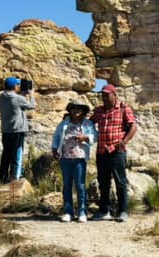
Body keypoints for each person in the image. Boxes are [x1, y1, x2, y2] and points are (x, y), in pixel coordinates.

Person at [90, 84, 137, 222]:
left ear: (114, 95)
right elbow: (88, 123)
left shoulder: (123, 108)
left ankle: (123, 211)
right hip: (101, 150)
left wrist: (125, 140)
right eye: (102, 95)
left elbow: (133, 125)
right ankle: (105, 210)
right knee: (103, 182)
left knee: (120, 181)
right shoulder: (99, 111)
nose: (104, 98)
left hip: (117, 151)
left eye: (106, 95)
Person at [52, 97, 97, 223]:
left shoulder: (88, 124)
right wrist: (54, 149)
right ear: (70, 110)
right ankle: (68, 211)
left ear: (83, 111)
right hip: (65, 157)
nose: (76, 111)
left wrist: (86, 137)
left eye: (79, 109)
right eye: (74, 108)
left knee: (80, 185)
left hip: (80, 157)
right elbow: (56, 136)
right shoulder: (64, 124)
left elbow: (95, 136)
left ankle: (82, 211)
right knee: (67, 185)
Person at [0, 76, 35, 183]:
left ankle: (3, 179)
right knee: (17, 156)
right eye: (18, 85)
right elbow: (32, 106)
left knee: (6, 156)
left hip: (6, 131)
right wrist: (32, 95)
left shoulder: (2, 96)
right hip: (17, 131)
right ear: (15, 86)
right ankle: (15, 178)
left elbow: (15, 101)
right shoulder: (18, 99)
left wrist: (22, 95)